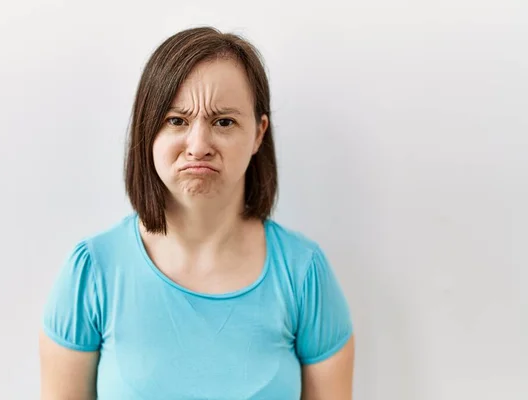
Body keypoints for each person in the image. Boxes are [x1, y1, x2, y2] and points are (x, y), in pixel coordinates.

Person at [39, 26, 355, 399]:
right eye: (177, 120)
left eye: (224, 121)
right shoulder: (91, 272)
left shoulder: (305, 274)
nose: (198, 145)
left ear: (258, 133)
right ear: (147, 130)